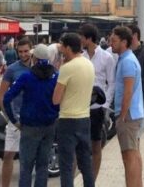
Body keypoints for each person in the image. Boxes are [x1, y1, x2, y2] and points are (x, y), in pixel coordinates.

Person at [2, 44, 59, 187]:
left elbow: (7, 98)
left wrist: (13, 120)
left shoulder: (27, 76)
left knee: (26, 167)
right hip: (49, 125)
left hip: (29, 126)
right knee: (42, 165)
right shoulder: (56, 76)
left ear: (34, 58)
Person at [52, 33, 95, 187]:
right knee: (85, 164)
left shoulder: (67, 68)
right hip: (85, 118)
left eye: (62, 46)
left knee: (66, 165)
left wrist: (60, 68)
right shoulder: (89, 64)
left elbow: (56, 99)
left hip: (67, 120)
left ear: (68, 48)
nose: (61, 49)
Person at [78, 23, 115, 180]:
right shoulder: (81, 56)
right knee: (80, 145)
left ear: (88, 38)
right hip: (81, 108)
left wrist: (105, 105)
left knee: (96, 144)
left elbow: (111, 82)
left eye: (81, 37)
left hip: (97, 107)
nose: (79, 40)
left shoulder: (106, 57)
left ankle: (93, 179)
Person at [109, 27, 144, 187]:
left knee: (129, 157)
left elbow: (128, 92)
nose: (111, 44)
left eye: (114, 41)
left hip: (128, 115)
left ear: (124, 42)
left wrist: (122, 116)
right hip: (132, 113)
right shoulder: (127, 59)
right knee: (134, 155)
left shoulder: (128, 61)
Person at [0, 37, 33, 187]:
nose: (23, 54)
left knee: (30, 157)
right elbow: (1, 96)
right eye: (20, 52)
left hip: (33, 118)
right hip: (16, 118)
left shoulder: (39, 67)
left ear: (31, 50)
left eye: (26, 51)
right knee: (8, 156)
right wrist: (10, 118)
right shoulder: (12, 69)